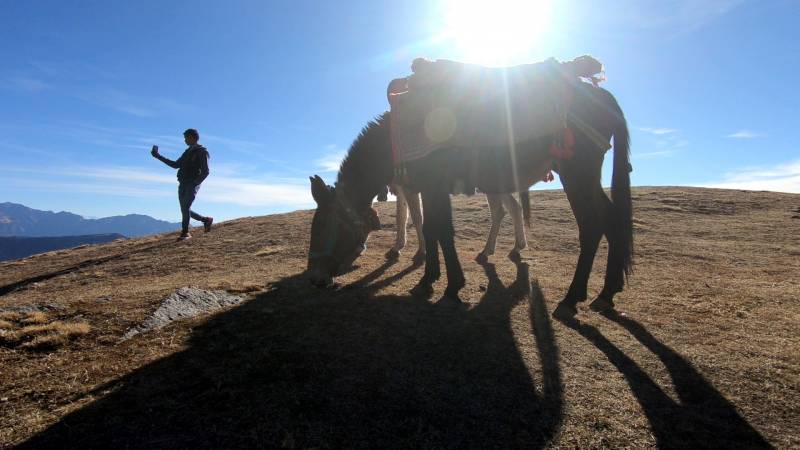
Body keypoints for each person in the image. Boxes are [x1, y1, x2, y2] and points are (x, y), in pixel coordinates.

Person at [151, 128, 213, 240]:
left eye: (186, 138)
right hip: (183, 182)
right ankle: (206, 220)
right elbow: (175, 165)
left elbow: (206, 171)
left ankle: (185, 233)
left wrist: (195, 182)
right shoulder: (187, 152)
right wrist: (158, 156)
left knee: (185, 208)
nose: (185, 140)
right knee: (185, 209)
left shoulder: (202, 151)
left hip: (192, 183)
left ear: (193, 137)